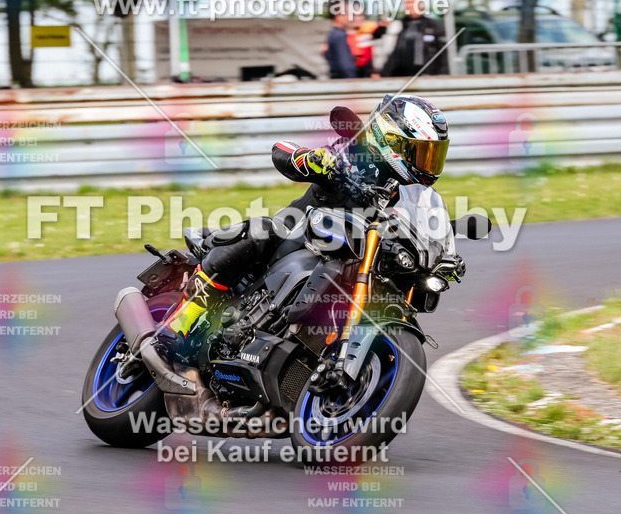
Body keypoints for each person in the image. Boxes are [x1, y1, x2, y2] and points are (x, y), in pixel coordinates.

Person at [139, 94, 460, 372]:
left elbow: (426, 226)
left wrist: (445, 254)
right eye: (421, 153)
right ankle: (184, 318)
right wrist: (312, 160)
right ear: (391, 140)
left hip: (354, 263)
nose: (428, 165)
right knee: (262, 230)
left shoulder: (408, 197)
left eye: (434, 155)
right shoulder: (354, 155)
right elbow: (282, 150)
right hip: (299, 239)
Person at [382, 0, 448, 77]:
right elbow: (392, 51)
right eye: (407, 3)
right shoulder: (399, 25)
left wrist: (442, 73)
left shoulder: (434, 25)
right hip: (400, 74)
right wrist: (384, 73)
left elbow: (443, 52)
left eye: (413, 2)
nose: (410, 5)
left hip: (427, 74)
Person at [347, 13, 389, 78]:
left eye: (360, 16)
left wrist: (383, 26)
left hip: (368, 67)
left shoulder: (369, 27)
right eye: (354, 16)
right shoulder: (344, 32)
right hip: (353, 68)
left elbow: (379, 33)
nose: (357, 18)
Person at [323, 4, 357, 79]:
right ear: (338, 16)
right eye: (349, 14)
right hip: (344, 82)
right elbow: (346, 65)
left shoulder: (334, 34)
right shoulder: (339, 36)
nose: (351, 18)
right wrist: (352, 81)